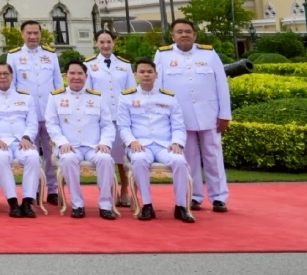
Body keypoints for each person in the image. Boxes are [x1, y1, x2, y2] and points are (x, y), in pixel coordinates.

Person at [155, 19, 231, 212]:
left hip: (209, 115)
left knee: (213, 156)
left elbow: (221, 85)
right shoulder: (163, 55)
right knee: (188, 158)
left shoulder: (208, 53)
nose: (184, 35)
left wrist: (225, 114)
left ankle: (219, 197)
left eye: (188, 31)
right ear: (172, 36)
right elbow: (158, 89)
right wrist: (161, 117)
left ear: (195, 35)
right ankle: (194, 195)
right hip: (180, 118)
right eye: (179, 32)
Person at [118, 58, 193, 223]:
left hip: (164, 145)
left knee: (179, 161)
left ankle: (180, 207)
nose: (146, 75)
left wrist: (177, 143)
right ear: (135, 74)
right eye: (142, 72)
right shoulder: (126, 98)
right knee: (138, 160)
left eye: (149, 72)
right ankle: (147, 205)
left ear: (156, 74)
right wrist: (132, 142)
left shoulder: (169, 97)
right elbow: (123, 126)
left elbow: (178, 126)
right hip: (140, 145)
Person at [45, 60, 116, 220]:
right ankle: (77, 205)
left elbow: (107, 124)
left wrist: (104, 142)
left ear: (86, 76)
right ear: (66, 76)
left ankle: (105, 205)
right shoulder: (56, 97)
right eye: (72, 73)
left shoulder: (97, 97)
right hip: (70, 147)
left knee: (106, 159)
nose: (76, 77)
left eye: (80, 74)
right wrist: (62, 142)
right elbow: (52, 124)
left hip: (93, 146)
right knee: (68, 160)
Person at [0, 61, 42, 218]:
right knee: (1, 157)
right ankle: (13, 202)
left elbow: (32, 122)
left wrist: (27, 137)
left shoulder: (25, 97)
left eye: (5, 73)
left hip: (22, 141)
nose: (2, 77)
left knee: (33, 157)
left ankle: (27, 202)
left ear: (12, 76)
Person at [10, 20, 63, 203]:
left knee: (50, 154)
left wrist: (60, 110)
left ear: (40, 34)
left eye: (36, 33)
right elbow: (13, 86)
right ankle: (33, 190)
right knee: (30, 153)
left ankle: (52, 189)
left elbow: (58, 85)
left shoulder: (50, 55)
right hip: (27, 115)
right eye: (29, 33)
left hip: (49, 114)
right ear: (22, 34)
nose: (33, 36)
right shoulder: (14, 56)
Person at [86, 29, 135, 203]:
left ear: (114, 43)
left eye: (109, 42)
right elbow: (88, 95)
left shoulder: (124, 65)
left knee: (122, 157)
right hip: (101, 119)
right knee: (104, 156)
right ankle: (107, 192)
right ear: (96, 43)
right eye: (102, 42)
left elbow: (131, 92)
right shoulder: (89, 65)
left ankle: (124, 190)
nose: (105, 45)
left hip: (121, 118)